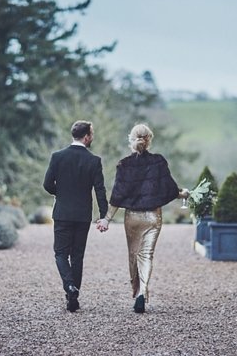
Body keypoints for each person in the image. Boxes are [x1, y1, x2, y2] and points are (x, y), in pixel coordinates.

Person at [97, 122, 185, 313]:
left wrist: (107, 219)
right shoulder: (159, 162)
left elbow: (118, 195)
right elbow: (170, 189)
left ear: (131, 139)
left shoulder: (124, 165)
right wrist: (183, 194)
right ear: (149, 140)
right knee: (146, 255)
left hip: (132, 218)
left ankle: (136, 290)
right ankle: (142, 293)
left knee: (133, 256)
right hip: (153, 217)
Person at [43, 119, 109, 313]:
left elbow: (47, 184)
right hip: (82, 215)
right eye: (92, 134)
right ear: (87, 136)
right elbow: (100, 190)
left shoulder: (57, 157)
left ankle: (69, 287)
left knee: (61, 253)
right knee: (77, 255)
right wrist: (104, 215)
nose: (92, 137)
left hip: (62, 213)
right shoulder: (94, 160)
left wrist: (61, 193)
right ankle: (73, 294)